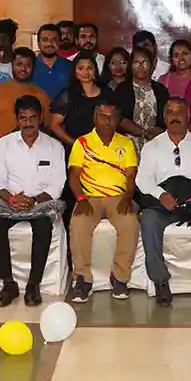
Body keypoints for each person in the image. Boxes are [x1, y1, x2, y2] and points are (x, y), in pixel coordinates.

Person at [136, 96, 191, 306]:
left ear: (188, 116)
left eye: (179, 113)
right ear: (164, 117)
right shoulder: (152, 147)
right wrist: (160, 195)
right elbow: (143, 179)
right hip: (164, 204)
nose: (174, 117)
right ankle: (160, 282)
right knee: (148, 220)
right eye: (170, 112)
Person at [0, 95, 67, 307]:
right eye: (23, 118)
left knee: (43, 226)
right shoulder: (4, 144)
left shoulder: (54, 146)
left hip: (40, 203)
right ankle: (8, 283)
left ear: (41, 119)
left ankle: (33, 284)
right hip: (9, 202)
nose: (28, 123)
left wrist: (32, 200)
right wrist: (12, 199)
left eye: (33, 118)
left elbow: (57, 185)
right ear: (17, 119)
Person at [66, 100, 140, 303]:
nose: (107, 121)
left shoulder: (126, 143)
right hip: (89, 197)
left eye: (112, 117)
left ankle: (120, 278)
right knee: (78, 224)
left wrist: (128, 198)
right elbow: (74, 176)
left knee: (130, 224)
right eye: (102, 116)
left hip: (118, 197)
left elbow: (131, 176)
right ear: (94, 118)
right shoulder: (82, 143)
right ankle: (83, 279)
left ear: (118, 120)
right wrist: (80, 199)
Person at [0, 47, 51, 140]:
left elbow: (48, 126)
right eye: (19, 64)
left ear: (33, 68)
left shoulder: (41, 94)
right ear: (12, 65)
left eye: (28, 65)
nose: (23, 69)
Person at [113, 47, 168, 152]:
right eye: (136, 62)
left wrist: (155, 133)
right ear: (130, 66)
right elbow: (120, 118)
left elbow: (165, 119)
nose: (141, 66)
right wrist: (144, 133)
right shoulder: (122, 89)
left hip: (155, 143)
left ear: (152, 65)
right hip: (127, 144)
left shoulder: (161, 90)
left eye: (144, 62)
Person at [49, 51, 108, 146]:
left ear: (95, 70)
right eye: (81, 68)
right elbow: (54, 125)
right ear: (75, 72)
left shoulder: (106, 92)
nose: (85, 72)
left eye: (89, 68)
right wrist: (76, 144)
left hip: (103, 147)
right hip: (76, 148)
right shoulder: (68, 95)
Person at [33, 23, 73, 100]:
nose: (49, 43)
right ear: (38, 43)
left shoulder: (71, 66)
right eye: (45, 40)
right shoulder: (29, 67)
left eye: (54, 40)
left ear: (60, 42)